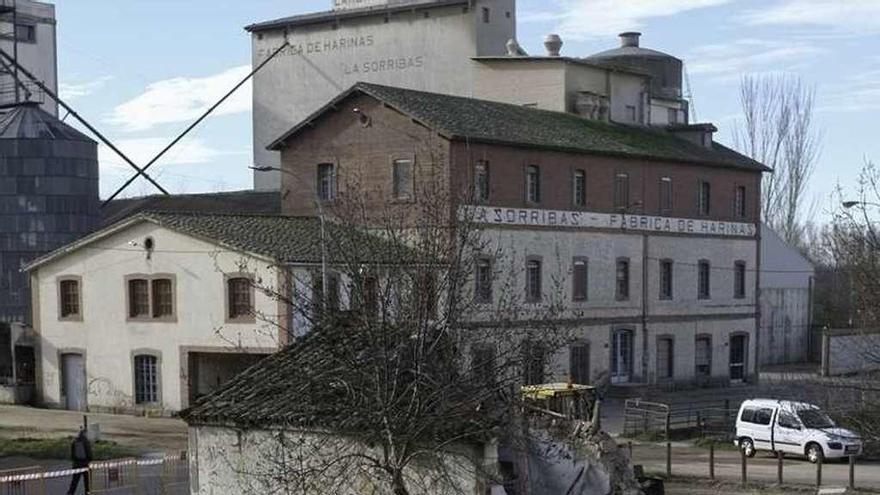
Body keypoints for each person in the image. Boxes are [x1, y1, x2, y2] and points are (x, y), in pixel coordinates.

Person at [67, 428, 92, 494]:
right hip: (85, 464)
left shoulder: (74, 441)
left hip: (76, 464)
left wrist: (74, 460)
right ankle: (87, 492)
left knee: (74, 481)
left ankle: (70, 493)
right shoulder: (86, 442)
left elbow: (72, 454)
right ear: (84, 434)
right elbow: (89, 453)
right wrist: (90, 460)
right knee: (87, 481)